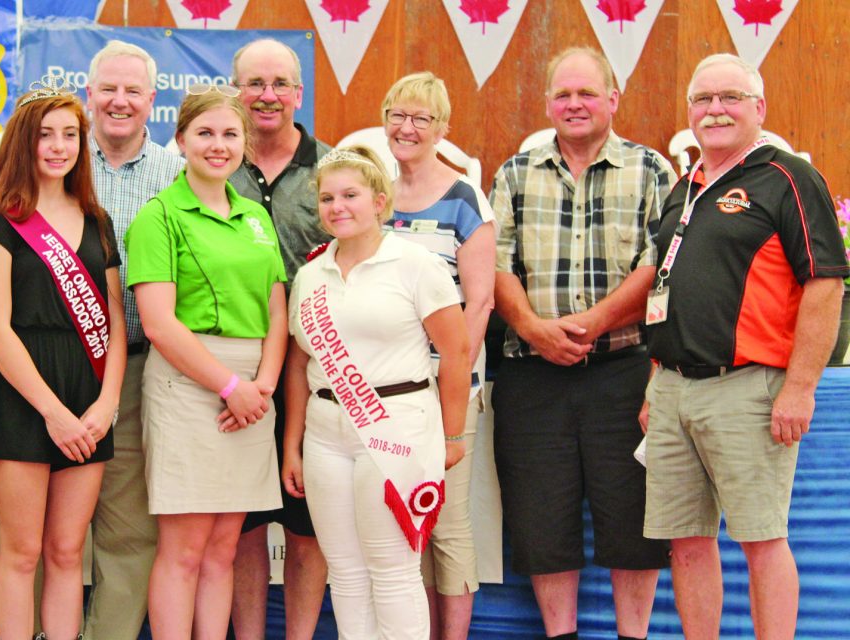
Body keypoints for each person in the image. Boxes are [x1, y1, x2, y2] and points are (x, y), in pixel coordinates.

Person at [642, 53, 848, 640]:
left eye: (730, 97)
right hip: (674, 388)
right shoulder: (686, 187)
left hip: (750, 388)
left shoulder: (789, 178)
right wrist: (658, 380)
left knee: (761, 539)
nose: (716, 110)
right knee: (686, 543)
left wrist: (801, 387)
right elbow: (668, 287)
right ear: (689, 113)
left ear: (758, 108)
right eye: (704, 100)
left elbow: (825, 284)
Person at [489, 47, 672, 640]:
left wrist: (593, 322)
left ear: (612, 100)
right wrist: (533, 329)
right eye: (563, 94)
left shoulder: (651, 170)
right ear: (547, 103)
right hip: (531, 373)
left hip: (624, 369)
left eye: (587, 93)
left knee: (634, 521)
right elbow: (495, 266)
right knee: (542, 522)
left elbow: (660, 265)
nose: (574, 104)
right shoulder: (514, 173)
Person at [0, 76, 127, 640]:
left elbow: (116, 324)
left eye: (70, 135)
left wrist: (106, 404)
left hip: (89, 392)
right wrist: (53, 412)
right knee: (23, 550)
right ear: (22, 143)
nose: (58, 146)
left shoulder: (98, 222)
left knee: (66, 549)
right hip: (26, 395)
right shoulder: (1, 224)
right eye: (45, 135)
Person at [282, 145, 469, 639]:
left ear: (380, 202)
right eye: (326, 198)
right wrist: (292, 445)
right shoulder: (310, 274)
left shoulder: (416, 264)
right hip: (325, 431)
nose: (337, 206)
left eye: (350, 195)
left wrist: (452, 437)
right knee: (343, 570)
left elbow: (455, 354)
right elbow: (299, 362)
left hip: (395, 425)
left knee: (391, 568)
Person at [126, 86, 288, 640]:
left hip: (251, 394)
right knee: (185, 549)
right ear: (181, 140)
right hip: (191, 383)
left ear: (244, 143)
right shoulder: (159, 216)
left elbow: (276, 307)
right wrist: (228, 386)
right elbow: (159, 323)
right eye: (205, 133)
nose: (218, 146)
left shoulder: (255, 218)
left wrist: (262, 386)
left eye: (230, 134)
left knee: (225, 549)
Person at [381, 71, 495, 640]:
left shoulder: (464, 198)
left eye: (421, 118)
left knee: (445, 525)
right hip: (379, 393)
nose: (407, 128)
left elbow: (479, 304)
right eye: (398, 116)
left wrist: (453, 385)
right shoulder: (373, 194)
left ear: (442, 128)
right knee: (399, 526)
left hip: (446, 390)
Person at [227, 37, 331, 640]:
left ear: (299, 92)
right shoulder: (210, 161)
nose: (267, 96)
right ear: (235, 89)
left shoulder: (332, 168)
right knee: (238, 524)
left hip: (313, 372)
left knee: (306, 524)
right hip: (234, 372)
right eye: (254, 84)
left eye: (279, 85)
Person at [81, 40, 185, 640]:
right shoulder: (56, 158)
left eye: (133, 92)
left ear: (153, 102)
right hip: (59, 366)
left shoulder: (177, 175)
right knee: (51, 531)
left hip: (145, 369)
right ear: (88, 95)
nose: (120, 102)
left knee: (128, 530)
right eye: (108, 90)